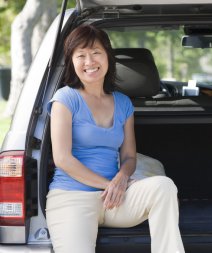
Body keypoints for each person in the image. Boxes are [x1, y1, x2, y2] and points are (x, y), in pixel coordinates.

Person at [46, 24, 185, 253]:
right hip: (72, 198)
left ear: (108, 57)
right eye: (81, 55)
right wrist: (111, 185)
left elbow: (129, 156)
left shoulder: (123, 103)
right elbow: (62, 159)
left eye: (96, 53)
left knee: (164, 186)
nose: (89, 62)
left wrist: (122, 177)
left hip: (115, 199)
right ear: (72, 62)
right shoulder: (65, 99)